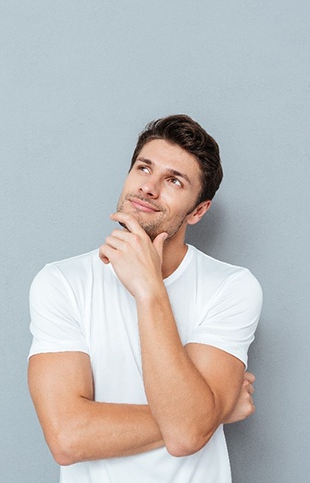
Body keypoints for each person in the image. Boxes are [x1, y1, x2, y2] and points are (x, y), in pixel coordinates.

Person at [28, 115, 263, 483]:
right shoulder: (61, 282)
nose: (148, 188)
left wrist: (149, 288)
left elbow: (187, 437)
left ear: (199, 210)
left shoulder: (231, 287)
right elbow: (68, 437)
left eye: (174, 180)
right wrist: (210, 413)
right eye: (143, 168)